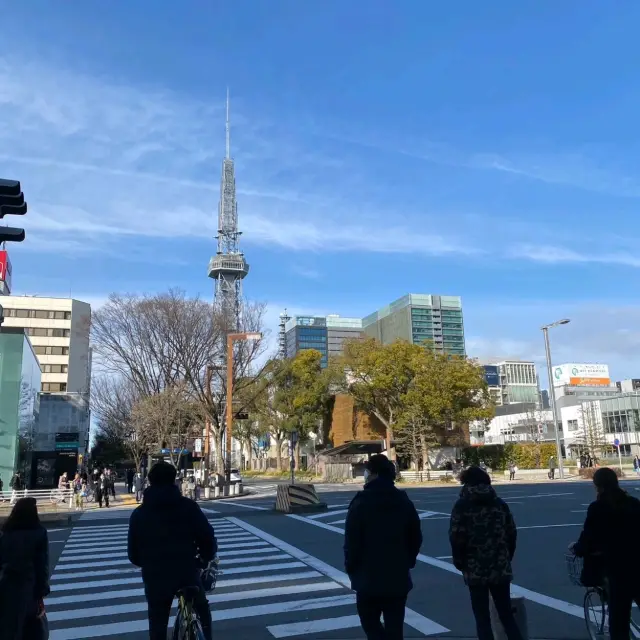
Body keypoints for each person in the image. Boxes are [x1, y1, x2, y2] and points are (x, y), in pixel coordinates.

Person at [128, 461, 217, 640]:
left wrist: (147, 562)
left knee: (158, 623)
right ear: (173, 480)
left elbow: (133, 554)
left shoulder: (140, 514)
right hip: (186, 570)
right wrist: (204, 559)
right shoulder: (188, 507)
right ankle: (205, 634)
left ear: (150, 482)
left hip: (156, 576)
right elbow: (207, 538)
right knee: (202, 608)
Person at [344, 454, 422, 640]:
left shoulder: (361, 502)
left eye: (368, 470)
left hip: (367, 576)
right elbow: (415, 536)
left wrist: (351, 567)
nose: (365, 474)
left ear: (374, 474)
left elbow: (352, 541)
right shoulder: (403, 501)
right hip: (397, 575)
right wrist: (408, 561)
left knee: (370, 623)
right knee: (395, 627)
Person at [449, 465, 522, 640]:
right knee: (506, 614)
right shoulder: (499, 503)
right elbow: (511, 533)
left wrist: (459, 561)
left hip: (474, 566)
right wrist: (506, 556)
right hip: (500, 564)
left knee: (482, 618)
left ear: (465, 483)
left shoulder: (462, 505)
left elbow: (456, 536)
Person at [571, 467, 640, 640]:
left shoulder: (598, 508)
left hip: (616, 569)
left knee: (618, 621)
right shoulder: (633, 503)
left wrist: (577, 549)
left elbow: (588, 537)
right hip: (638, 564)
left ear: (598, 486)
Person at [0, 497, 50, 640]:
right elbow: (42, 565)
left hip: (6, 586)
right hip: (29, 587)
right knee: (30, 628)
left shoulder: (6, 531)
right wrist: (42, 592)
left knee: (9, 628)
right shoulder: (39, 532)